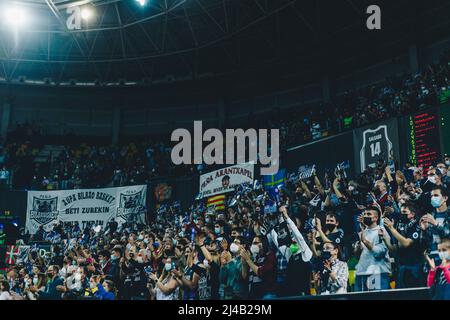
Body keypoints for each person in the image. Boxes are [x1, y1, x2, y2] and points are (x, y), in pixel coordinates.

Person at [383, 202, 428, 288]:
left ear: (412, 214)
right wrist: (385, 239)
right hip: (402, 266)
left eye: (404, 212)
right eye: (401, 212)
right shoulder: (400, 226)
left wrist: (392, 229)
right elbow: (395, 249)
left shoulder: (417, 225)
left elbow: (406, 243)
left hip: (415, 266)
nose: (402, 215)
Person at [354, 206, 392, 291]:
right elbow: (358, 256)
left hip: (377, 273)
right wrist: (357, 248)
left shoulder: (381, 231)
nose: (365, 216)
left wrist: (365, 241)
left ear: (375, 218)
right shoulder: (362, 231)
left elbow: (379, 253)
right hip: (361, 272)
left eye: (369, 214)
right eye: (364, 214)